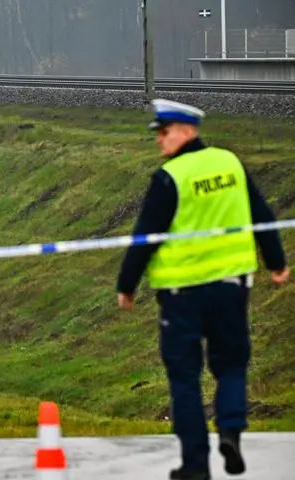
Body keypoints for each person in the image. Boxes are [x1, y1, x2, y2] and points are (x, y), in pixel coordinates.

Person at [116, 99, 290, 480]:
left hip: (182, 296)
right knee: (231, 365)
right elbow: (261, 214)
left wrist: (126, 286)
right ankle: (230, 431)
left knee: (184, 376)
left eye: (164, 132)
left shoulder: (170, 177)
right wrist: (276, 262)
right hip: (231, 287)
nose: (160, 140)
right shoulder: (230, 162)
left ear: (188, 131)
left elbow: (146, 236)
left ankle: (195, 465)